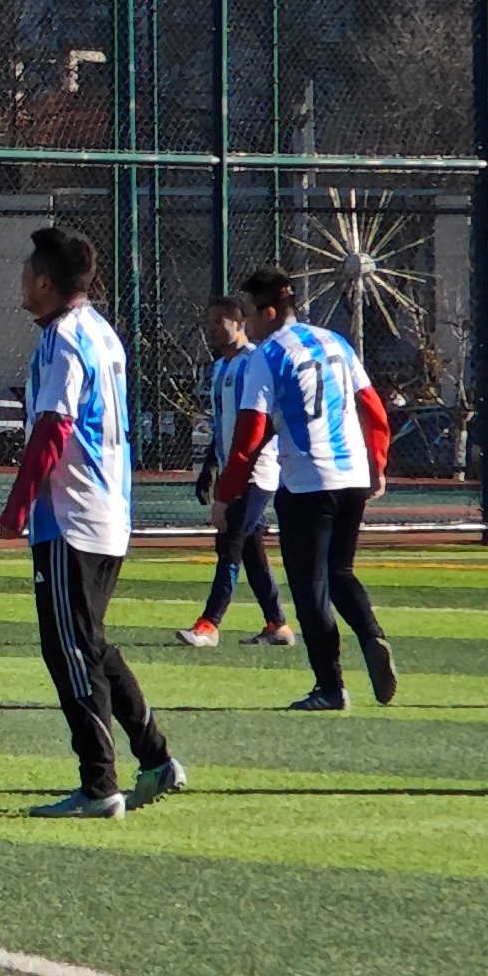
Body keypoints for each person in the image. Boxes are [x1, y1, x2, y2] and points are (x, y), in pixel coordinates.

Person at [0, 227, 183, 817]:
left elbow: (55, 425)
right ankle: (155, 758)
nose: (22, 281)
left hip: (69, 516)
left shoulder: (62, 338)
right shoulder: (102, 332)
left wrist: (19, 502)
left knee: (69, 651)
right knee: (93, 645)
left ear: (47, 283)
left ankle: (99, 786)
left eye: (28, 271)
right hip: (109, 512)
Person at [213, 267, 398, 712]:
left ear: (270, 312)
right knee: (341, 572)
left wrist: (226, 495)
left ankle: (330, 687)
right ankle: (372, 634)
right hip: (351, 476)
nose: (247, 324)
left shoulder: (267, 354)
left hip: (306, 481)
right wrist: (377, 464)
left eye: (251, 315)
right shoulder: (336, 341)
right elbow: (372, 407)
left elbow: (250, 432)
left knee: (310, 584)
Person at [182, 295, 292, 652]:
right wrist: (210, 468)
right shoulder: (219, 369)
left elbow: (261, 424)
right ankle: (277, 623)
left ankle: (209, 624)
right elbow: (221, 426)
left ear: (240, 322)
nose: (213, 329)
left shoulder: (252, 364)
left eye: (220, 322)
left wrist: (242, 468)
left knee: (228, 542)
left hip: (255, 473)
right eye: (209, 322)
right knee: (251, 552)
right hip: (234, 471)